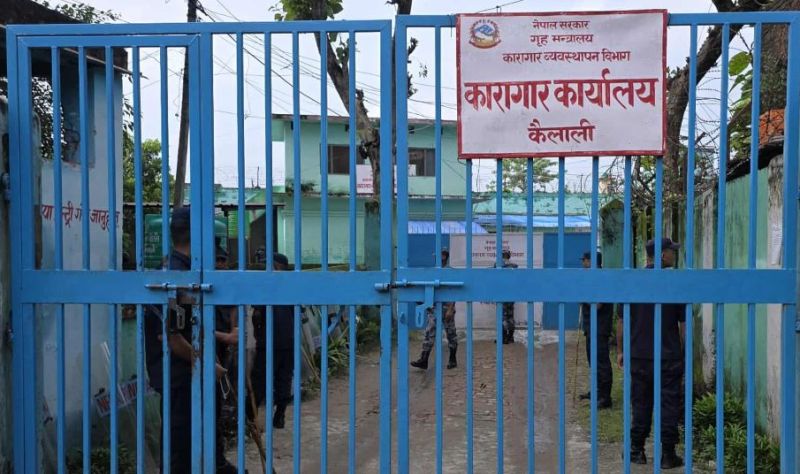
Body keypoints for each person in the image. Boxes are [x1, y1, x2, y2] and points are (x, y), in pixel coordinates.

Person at [144, 207, 237, 473]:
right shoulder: (177, 276)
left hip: (189, 375)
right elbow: (172, 338)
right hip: (181, 378)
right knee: (181, 453)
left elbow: (191, 328)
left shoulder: (185, 272)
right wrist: (208, 365)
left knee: (201, 446)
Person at [616, 238, 685, 469]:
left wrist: (621, 351)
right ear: (662, 255)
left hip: (640, 355)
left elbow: (622, 321)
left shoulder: (633, 282)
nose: (674, 255)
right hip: (669, 356)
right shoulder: (674, 283)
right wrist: (682, 352)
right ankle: (668, 455)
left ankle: (636, 450)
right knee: (669, 405)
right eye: (672, 251)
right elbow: (683, 326)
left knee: (641, 403)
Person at [249, 253, 295, 430]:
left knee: (260, 380)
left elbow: (256, 315)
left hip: (269, 342)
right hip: (286, 341)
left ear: (278, 266)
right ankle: (279, 416)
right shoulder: (290, 286)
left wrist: (259, 336)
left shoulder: (267, 285)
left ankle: (250, 418)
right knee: (283, 379)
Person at [411, 248, 458, 370]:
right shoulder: (432, 271)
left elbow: (454, 291)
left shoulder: (449, 272)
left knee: (451, 333)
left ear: (444, 256)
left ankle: (453, 359)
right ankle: (424, 360)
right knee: (429, 333)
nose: (437, 258)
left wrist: (451, 308)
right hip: (434, 307)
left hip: (447, 307)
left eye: (440, 255)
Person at [578, 251, 614, 409]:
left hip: (600, 327)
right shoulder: (593, 278)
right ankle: (597, 391)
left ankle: (605, 397)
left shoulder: (602, 279)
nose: (583, 264)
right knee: (593, 361)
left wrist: (582, 297)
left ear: (592, 262)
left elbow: (598, 304)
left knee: (601, 362)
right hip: (591, 327)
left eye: (585, 260)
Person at [495, 249, 518, 344]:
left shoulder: (498, 266)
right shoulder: (514, 266)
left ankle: (503, 338)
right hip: (511, 294)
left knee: (503, 316)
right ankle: (511, 337)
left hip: (502, 294)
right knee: (510, 316)